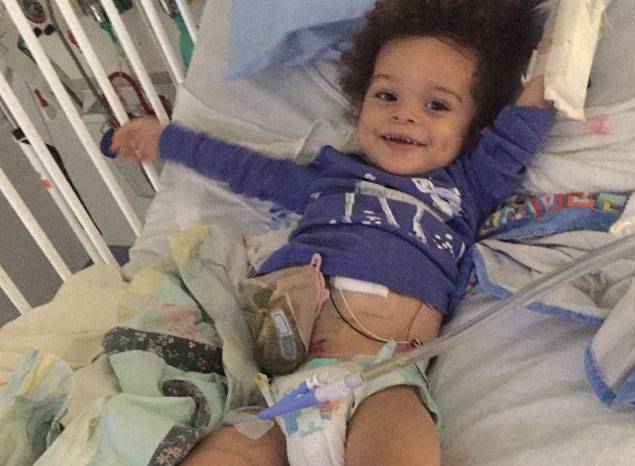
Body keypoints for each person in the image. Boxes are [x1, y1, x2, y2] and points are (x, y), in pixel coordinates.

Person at [111, 1, 556, 464]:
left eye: (437, 105)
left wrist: (561, 48)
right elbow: (244, 169)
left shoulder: (466, 189)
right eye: (387, 95)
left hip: (382, 381)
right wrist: (167, 140)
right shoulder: (328, 181)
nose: (404, 114)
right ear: (361, 101)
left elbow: (525, 124)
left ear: (475, 126)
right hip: (275, 391)